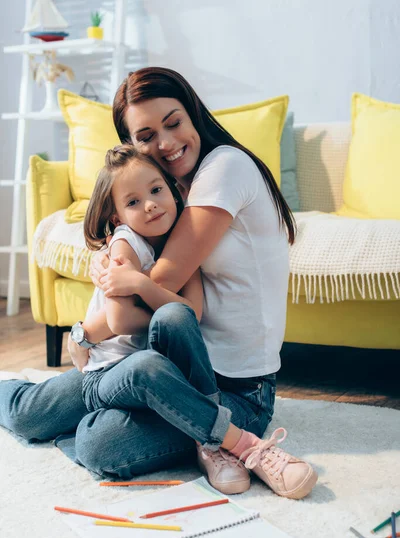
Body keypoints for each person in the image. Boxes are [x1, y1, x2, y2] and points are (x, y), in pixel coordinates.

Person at [0, 66, 317, 499]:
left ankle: (223, 437)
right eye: (146, 135)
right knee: (29, 413)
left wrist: (86, 329)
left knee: (99, 442)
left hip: (236, 391)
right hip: (163, 363)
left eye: (173, 122)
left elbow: (157, 295)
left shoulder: (223, 169)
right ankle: (204, 433)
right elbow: (135, 283)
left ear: (192, 113)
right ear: (130, 145)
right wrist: (114, 261)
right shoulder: (171, 194)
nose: (166, 143)